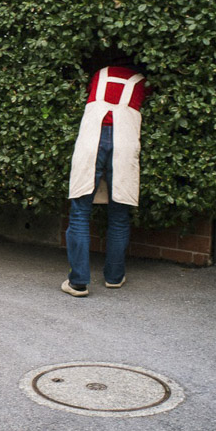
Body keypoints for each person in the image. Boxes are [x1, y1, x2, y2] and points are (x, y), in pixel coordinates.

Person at [62, 49, 148, 297]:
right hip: (124, 141)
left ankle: (78, 282)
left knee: (80, 210)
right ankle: (114, 276)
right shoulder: (140, 82)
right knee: (119, 213)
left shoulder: (100, 75)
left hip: (92, 139)